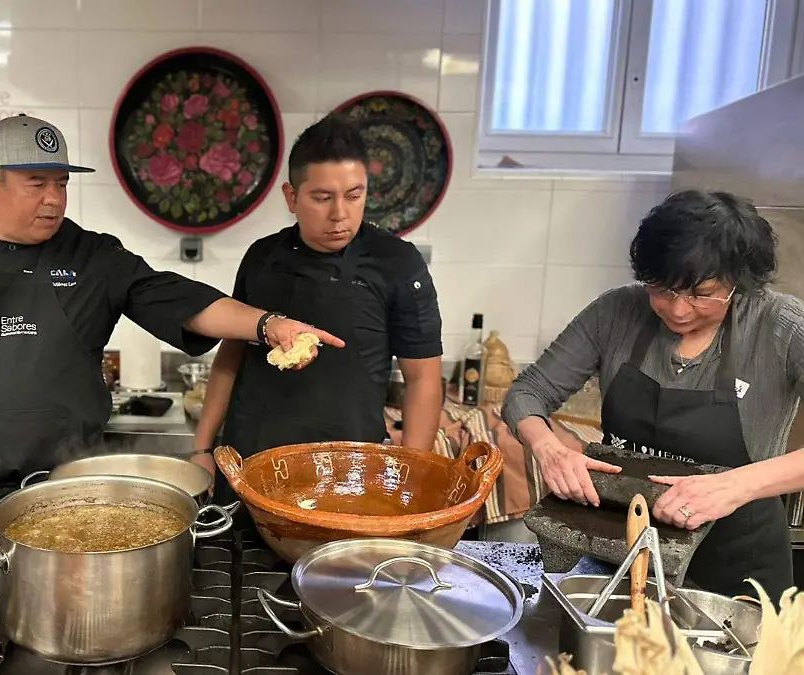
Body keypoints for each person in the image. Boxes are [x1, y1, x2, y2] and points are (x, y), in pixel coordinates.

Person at [0, 114, 343, 524]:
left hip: (62, 490)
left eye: (61, 183)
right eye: (37, 184)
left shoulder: (93, 257)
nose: (54, 198)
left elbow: (179, 299)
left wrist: (268, 325)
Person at [503, 188, 804, 599]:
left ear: (740, 281)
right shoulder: (617, 312)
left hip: (739, 570)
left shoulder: (780, 326)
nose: (678, 309)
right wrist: (549, 448)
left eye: (701, 293)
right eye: (661, 288)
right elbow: (529, 391)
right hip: (622, 555)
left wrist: (736, 487)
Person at [191, 115, 445, 499]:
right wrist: (203, 448)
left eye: (355, 195)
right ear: (291, 197)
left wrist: (406, 476)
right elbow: (232, 353)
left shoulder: (398, 264)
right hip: (250, 467)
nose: (340, 214)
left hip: (349, 476)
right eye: (322, 198)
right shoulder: (263, 258)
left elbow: (423, 379)